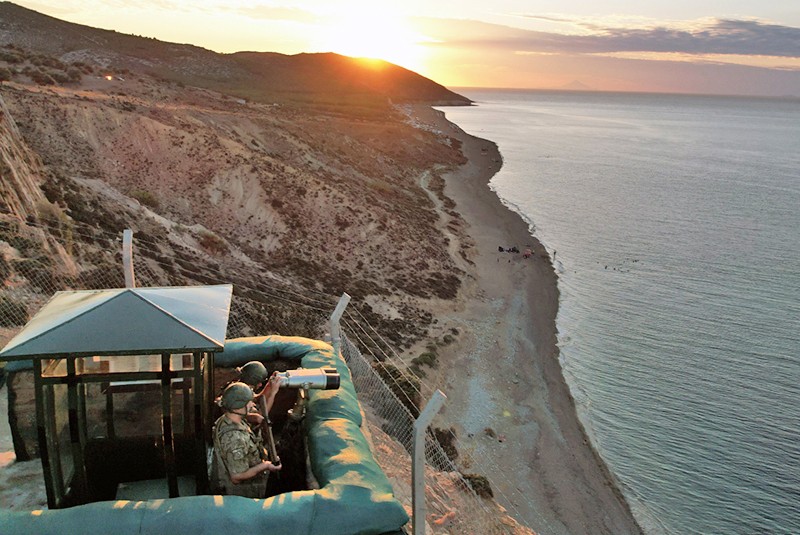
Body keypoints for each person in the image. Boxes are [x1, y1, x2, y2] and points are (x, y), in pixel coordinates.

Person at [213, 382, 281, 497]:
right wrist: (266, 466)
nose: (251, 404)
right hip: (245, 492)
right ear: (238, 406)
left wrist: (254, 417)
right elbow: (237, 477)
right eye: (247, 402)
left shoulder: (228, 419)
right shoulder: (235, 438)